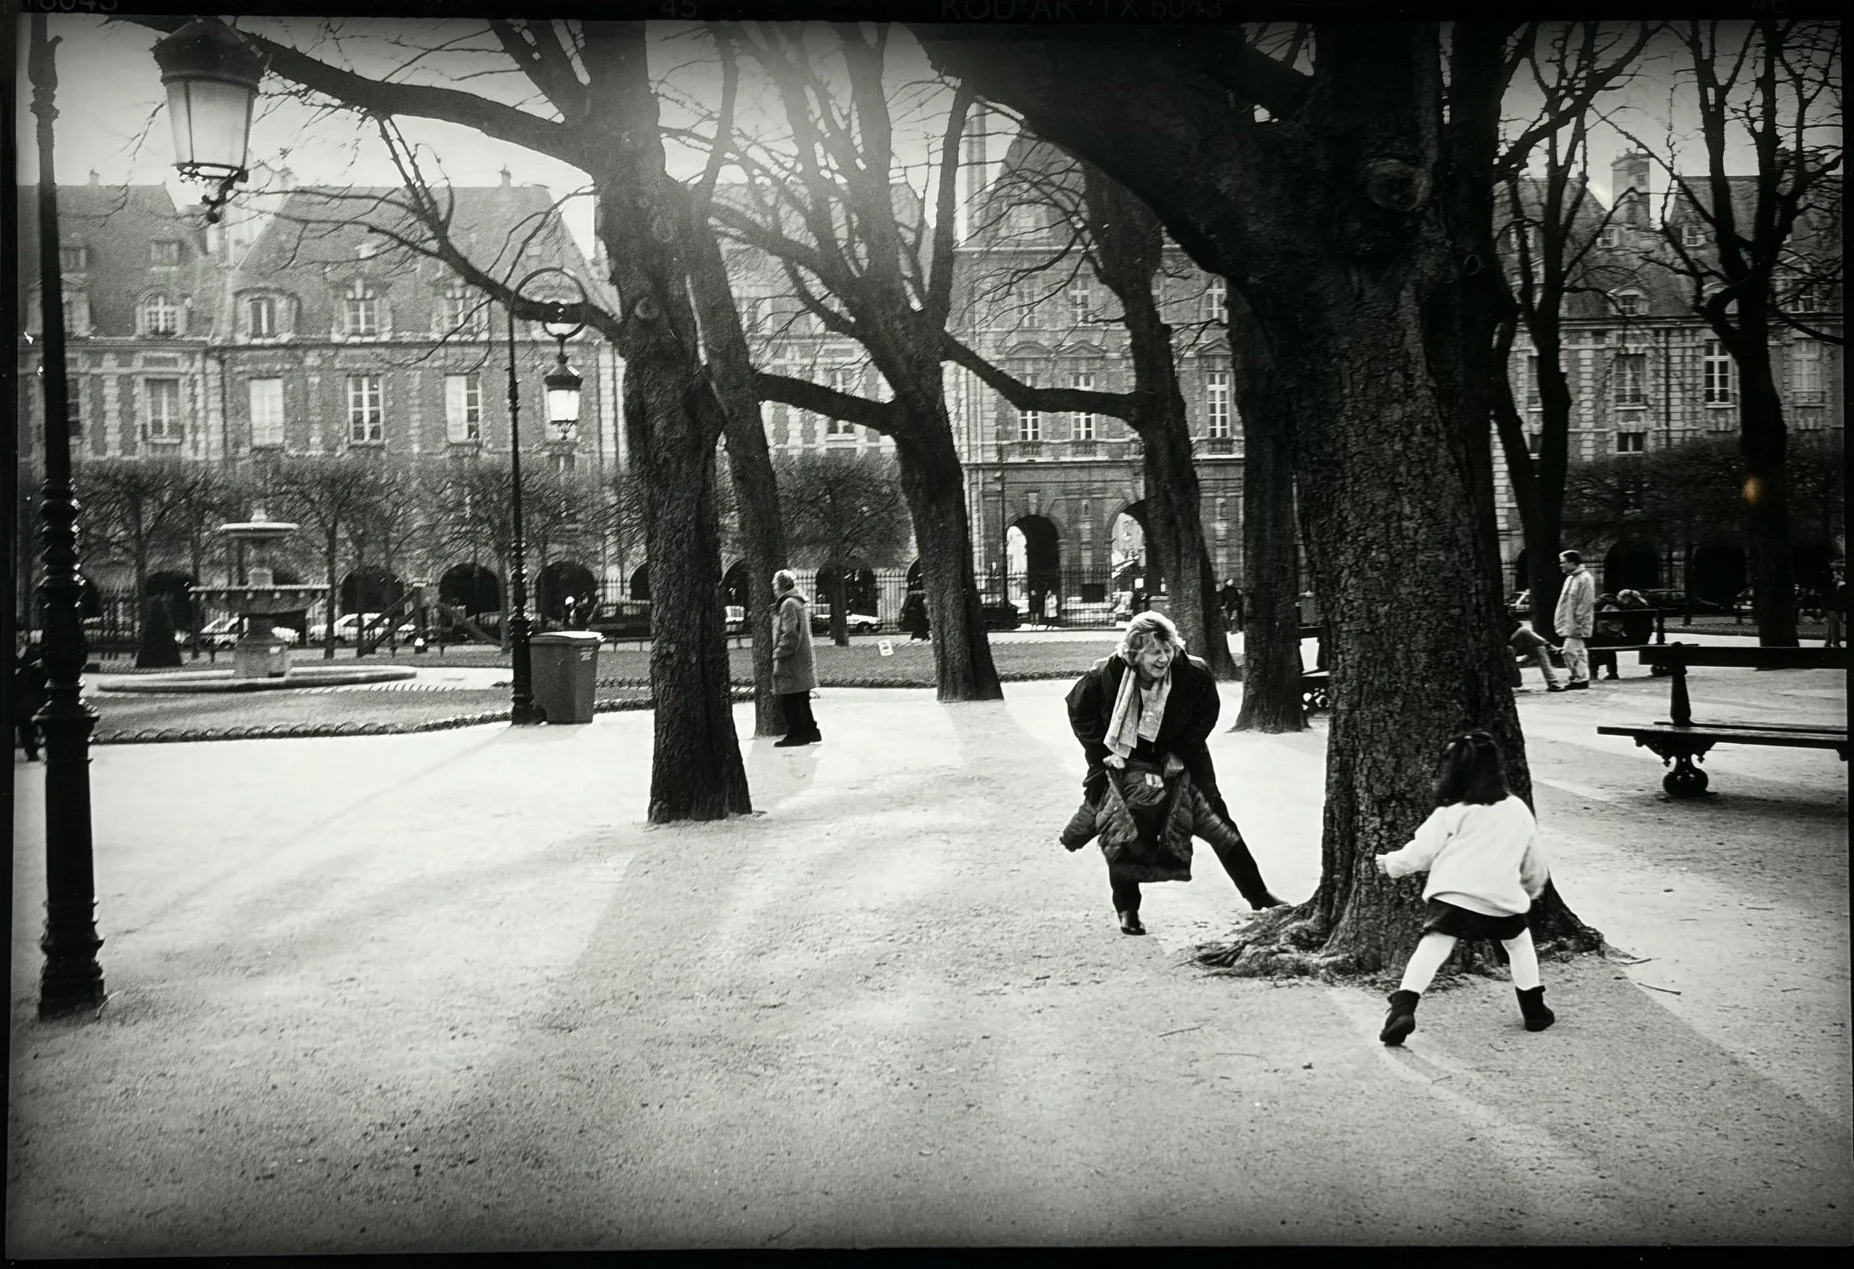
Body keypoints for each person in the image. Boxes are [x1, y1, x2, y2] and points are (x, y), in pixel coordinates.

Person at [1063, 611, 1287, 935]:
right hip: (1127, 762)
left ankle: (1258, 894)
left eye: (1168, 649)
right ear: (1134, 652)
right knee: (1123, 827)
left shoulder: (1193, 671)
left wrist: (1181, 752)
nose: (1164, 658)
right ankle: (1128, 909)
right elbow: (1078, 709)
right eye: (1155, 652)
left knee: (1218, 822)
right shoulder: (1106, 673)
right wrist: (1104, 753)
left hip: (1185, 758)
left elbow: (1208, 711)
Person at [1374, 730, 1555, 1045]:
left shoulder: (1452, 811)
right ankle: (1534, 1010)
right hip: (1501, 896)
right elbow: (1534, 858)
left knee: (1433, 947)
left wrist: (1392, 863)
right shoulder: (1516, 809)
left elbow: (1423, 851)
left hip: (1454, 894)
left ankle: (1402, 1007)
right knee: (1519, 945)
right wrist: (1530, 888)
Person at [770, 569, 821, 747]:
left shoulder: (788, 604)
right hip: (802, 658)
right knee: (801, 697)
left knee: (790, 699)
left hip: (792, 660)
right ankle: (811, 731)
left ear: (781, 586)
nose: (774, 589)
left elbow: (790, 634)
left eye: (775, 585)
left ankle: (796, 734)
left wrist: (777, 653)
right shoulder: (798, 602)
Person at [1553, 550, 1596, 690]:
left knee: (1570, 650)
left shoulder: (1584, 579)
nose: (1561, 565)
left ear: (1572, 562)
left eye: (1563, 562)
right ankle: (1579, 676)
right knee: (1575, 650)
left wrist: (1579, 621)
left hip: (1576, 623)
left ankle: (1580, 677)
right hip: (1570, 621)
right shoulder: (1571, 579)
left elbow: (1585, 602)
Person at [1507, 615, 1563, 692]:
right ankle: (1549, 646)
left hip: (1514, 644)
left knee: (1540, 649)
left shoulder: (1505, 615)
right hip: (1503, 646)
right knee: (1523, 631)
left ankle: (1552, 682)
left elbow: (1517, 625)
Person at [12, 641, 48, 762]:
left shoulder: (33, 654)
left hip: (32, 695)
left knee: (28, 721)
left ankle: (33, 749)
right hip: (24, 697)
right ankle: (32, 750)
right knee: (26, 722)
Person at [1824, 564, 1845, 649]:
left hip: (1836, 607)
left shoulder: (1839, 586)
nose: (1837, 576)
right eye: (1835, 575)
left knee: (1831, 624)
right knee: (1835, 623)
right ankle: (1836, 642)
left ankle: (1827, 642)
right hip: (1829, 607)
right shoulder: (1829, 585)